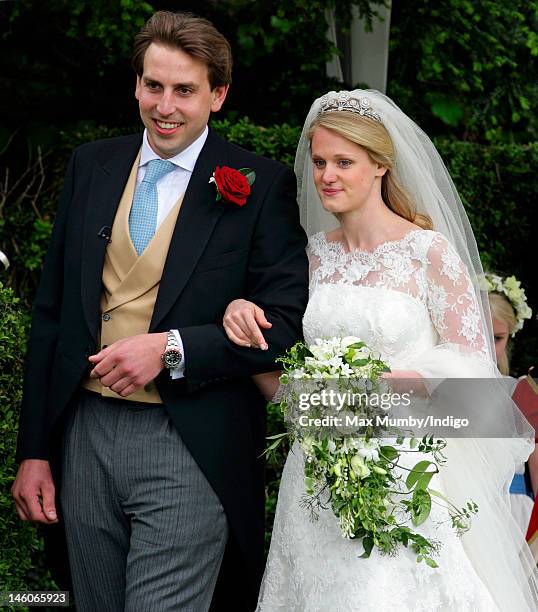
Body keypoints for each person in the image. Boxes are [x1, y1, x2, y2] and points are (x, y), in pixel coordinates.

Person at [11, 10, 308, 612]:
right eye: (154, 86)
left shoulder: (261, 183)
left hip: (190, 440)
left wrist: (173, 348)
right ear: (137, 85)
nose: (165, 106)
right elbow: (51, 317)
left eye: (185, 90)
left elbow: (285, 328)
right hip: (83, 433)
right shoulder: (91, 165)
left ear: (218, 95)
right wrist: (34, 451)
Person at [223, 90, 538, 610]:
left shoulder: (427, 252)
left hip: (401, 474)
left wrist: (396, 388)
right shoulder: (310, 257)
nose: (326, 175)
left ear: (380, 167)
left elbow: (480, 393)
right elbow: (276, 364)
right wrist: (238, 308)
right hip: (317, 479)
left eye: (344, 162)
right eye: (320, 161)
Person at [486, 272, 537, 533]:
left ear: (509, 336)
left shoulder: (523, 391)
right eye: (483, 334)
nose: (488, 345)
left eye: (498, 338)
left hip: (513, 516)